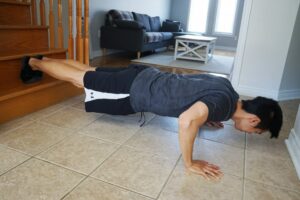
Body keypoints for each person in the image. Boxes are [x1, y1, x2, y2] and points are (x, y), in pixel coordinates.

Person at [20, 56, 283, 181]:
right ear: (254, 121)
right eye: (256, 132)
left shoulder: (228, 93)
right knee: (81, 80)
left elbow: (194, 90)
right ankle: (33, 63)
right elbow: (187, 121)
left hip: (145, 75)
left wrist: (208, 116)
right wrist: (189, 163)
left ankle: (43, 59)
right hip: (136, 90)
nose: (251, 133)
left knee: (91, 71)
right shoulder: (222, 104)